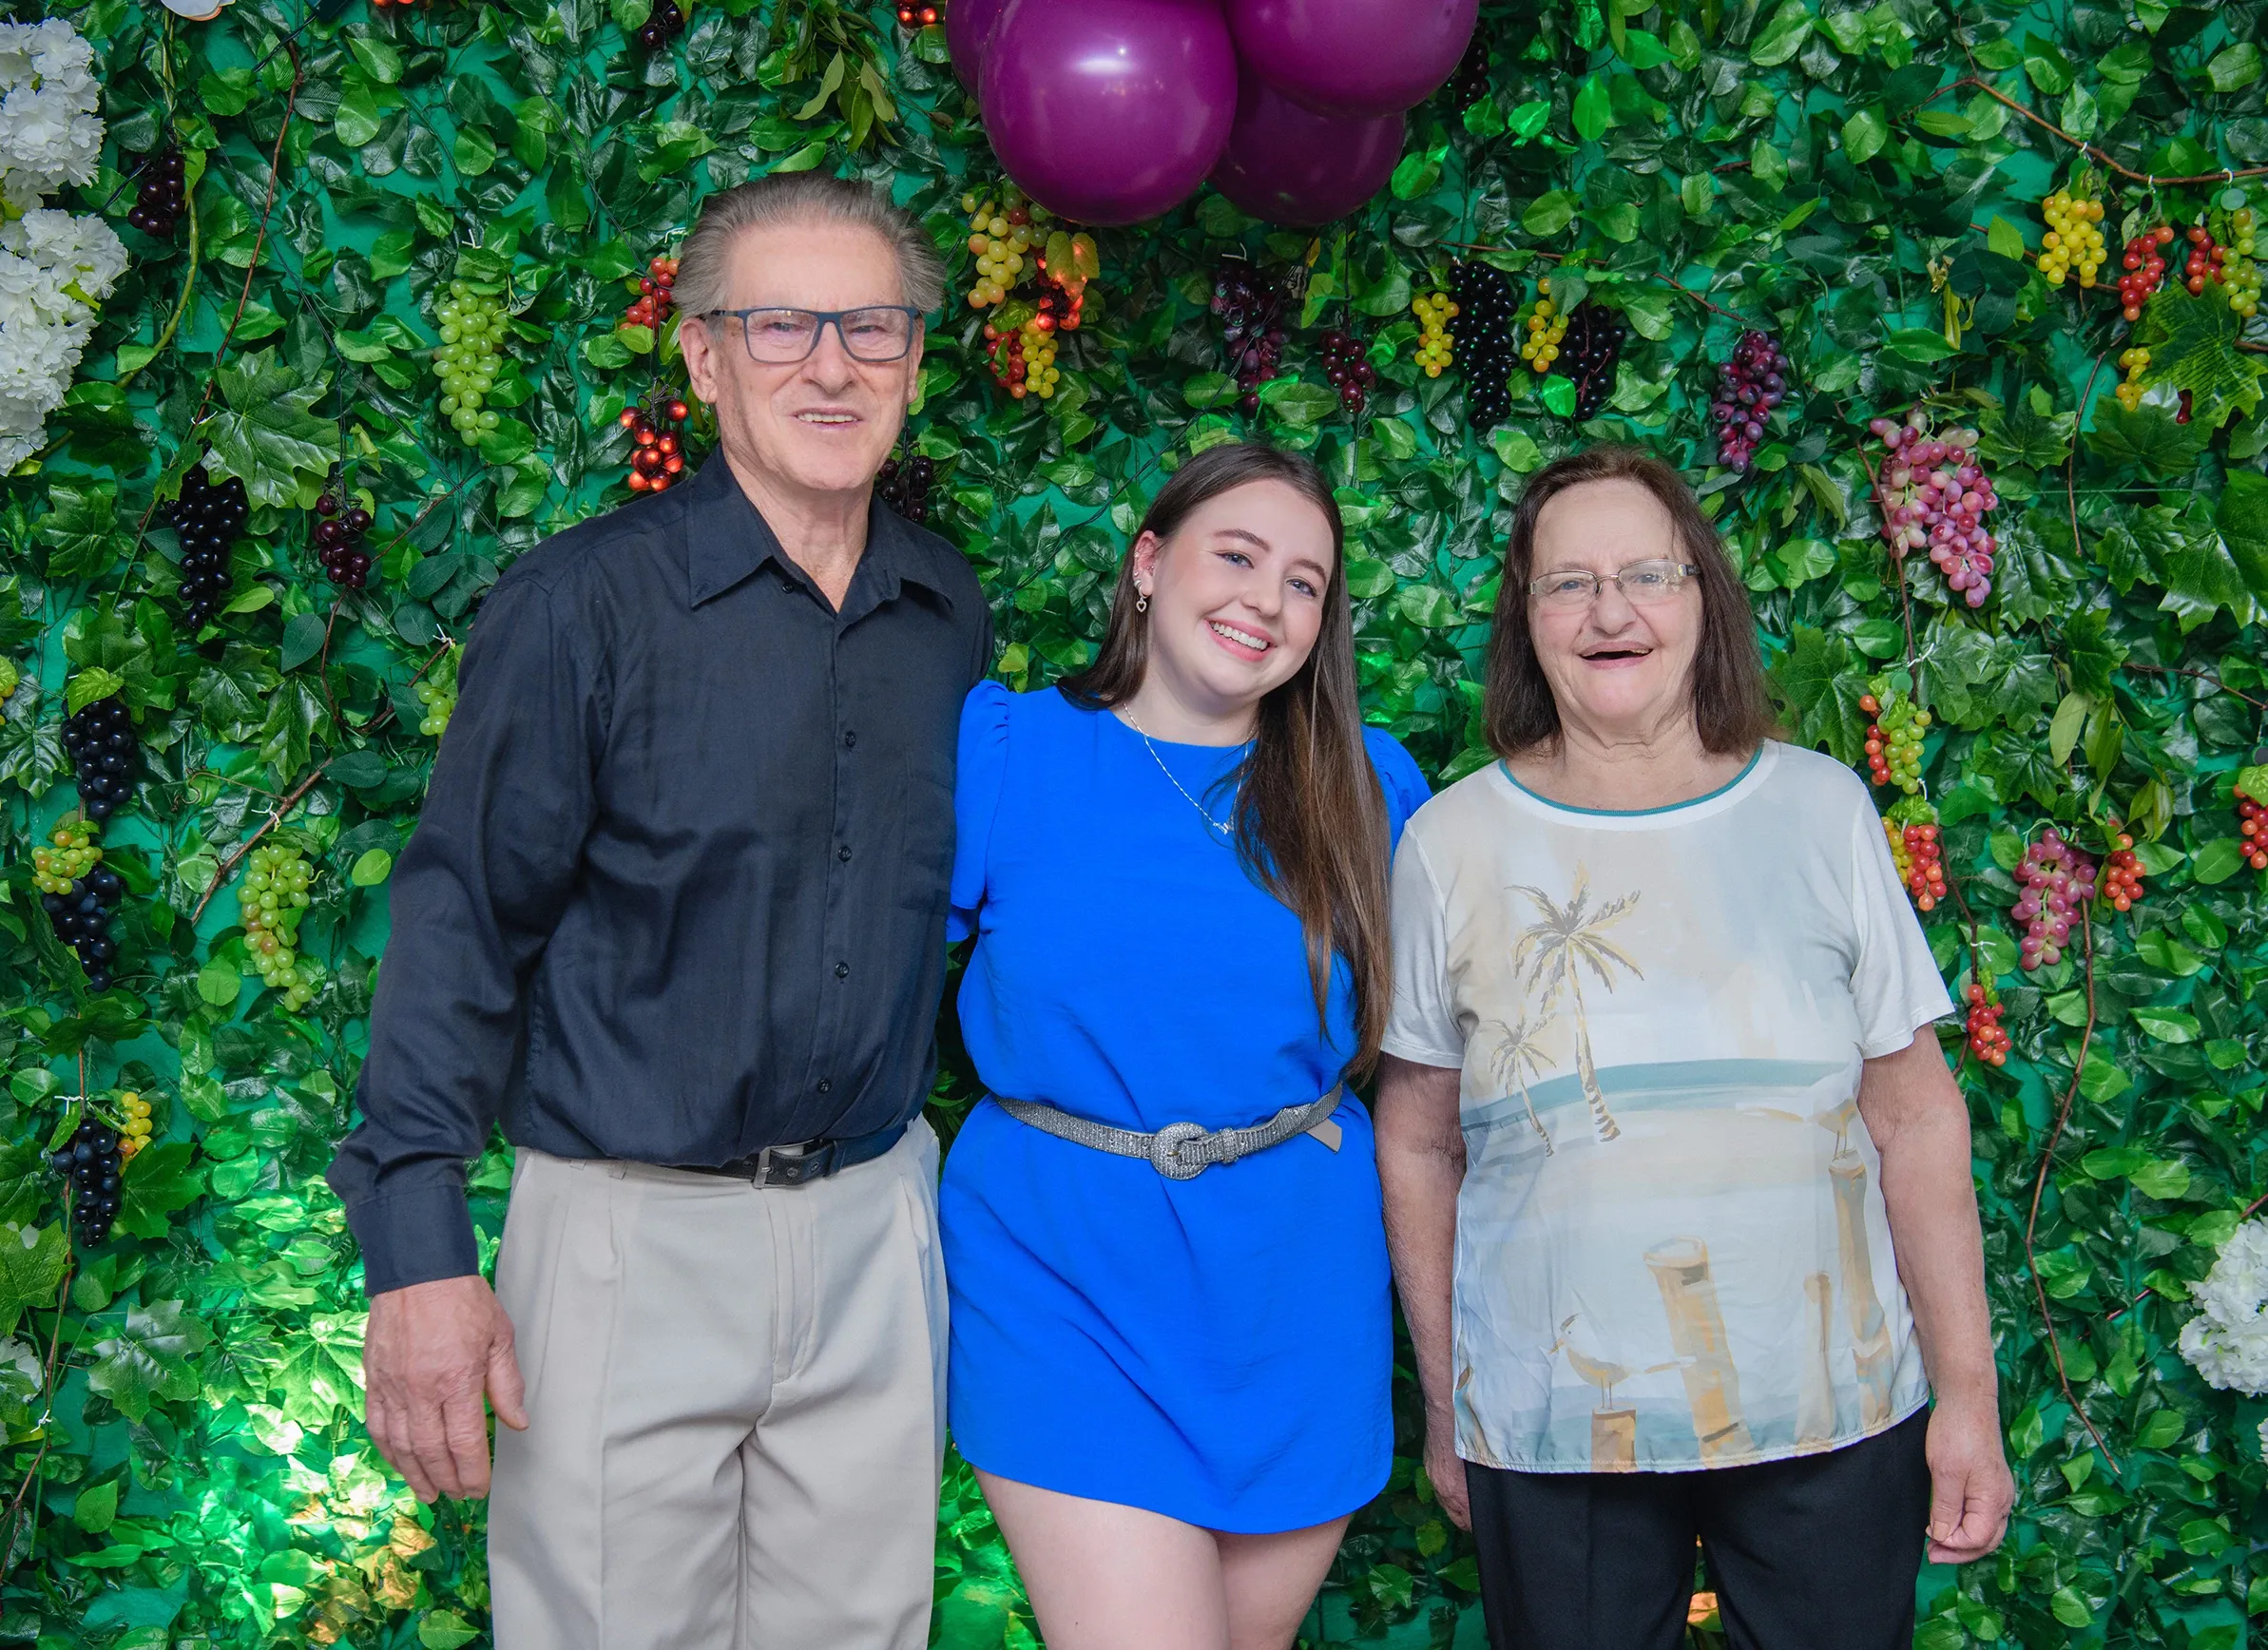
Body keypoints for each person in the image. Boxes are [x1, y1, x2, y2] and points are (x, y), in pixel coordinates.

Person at [326, 174, 990, 1650]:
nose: (832, 364)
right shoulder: (580, 606)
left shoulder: (949, 617)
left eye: (871, 326)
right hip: (629, 1234)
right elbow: (462, 920)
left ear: (914, 359)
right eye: (779, 325)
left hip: (879, 1224)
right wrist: (420, 1248)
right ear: (701, 357)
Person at [1374, 444, 2013, 1650]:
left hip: (1832, 1412)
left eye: (1643, 574)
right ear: (1525, 614)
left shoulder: (1822, 809)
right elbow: (1413, 1140)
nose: (1608, 610)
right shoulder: (1448, 843)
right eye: (1567, 582)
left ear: (1700, 599)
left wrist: (1966, 1396)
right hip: (1552, 1425)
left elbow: (1917, 1115)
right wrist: (1451, 1401)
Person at [940, 442, 1429, 1650]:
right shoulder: (1007, 752)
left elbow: (1433, 1068)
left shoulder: (1371, 785)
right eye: (1240, 555)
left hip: (1292, 1295)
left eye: (1306, 582)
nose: (1268, 599)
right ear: (1149, 563)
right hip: (1060, 1273)